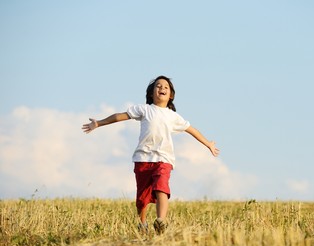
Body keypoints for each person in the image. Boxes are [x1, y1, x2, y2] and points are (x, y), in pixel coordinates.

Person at [82, 75, 219, 234]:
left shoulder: (173, 116)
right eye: (158, 86)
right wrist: (98, 123)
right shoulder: (144, 109)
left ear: (171, 95)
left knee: (162, 187)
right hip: (143, 159)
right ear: (151, 93)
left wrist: (208, 143)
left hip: (163, 159)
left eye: (166, 87)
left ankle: (161, 220)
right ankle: (142, 223)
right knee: (142, 198)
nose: (162, 89)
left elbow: (192, 130)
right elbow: (120, 116)